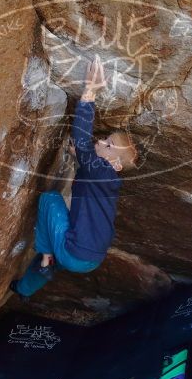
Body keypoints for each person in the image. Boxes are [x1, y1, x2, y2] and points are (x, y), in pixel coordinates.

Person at [10, 56, 138, 300]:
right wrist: (79, 155)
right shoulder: (107, 180)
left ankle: (47, 256)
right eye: (105, 139)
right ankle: (25, 287)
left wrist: (90, 91)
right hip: (91, 258)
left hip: (76, 251)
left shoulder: (102, 170)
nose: (100, 141)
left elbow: (82, 140)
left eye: (108, 144)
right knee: (55, 243)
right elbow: (86, 159)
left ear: (115, 164)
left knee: (49, 200)